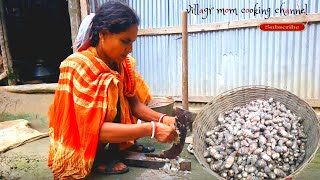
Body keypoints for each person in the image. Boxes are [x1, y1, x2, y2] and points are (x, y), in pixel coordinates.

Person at [47, 1, 178, 179]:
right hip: (79, 138)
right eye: (125, 41)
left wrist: (164, 118)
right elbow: (91, 130)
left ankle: (120, 146)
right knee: (110, 84)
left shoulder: (122, 64)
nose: (129, 50)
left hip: (102, 130)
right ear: (103, 34)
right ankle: (99, 157)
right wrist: (151, 129)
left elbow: (135, 106)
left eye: (132, 42)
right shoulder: (78, 66)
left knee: (129, 85)